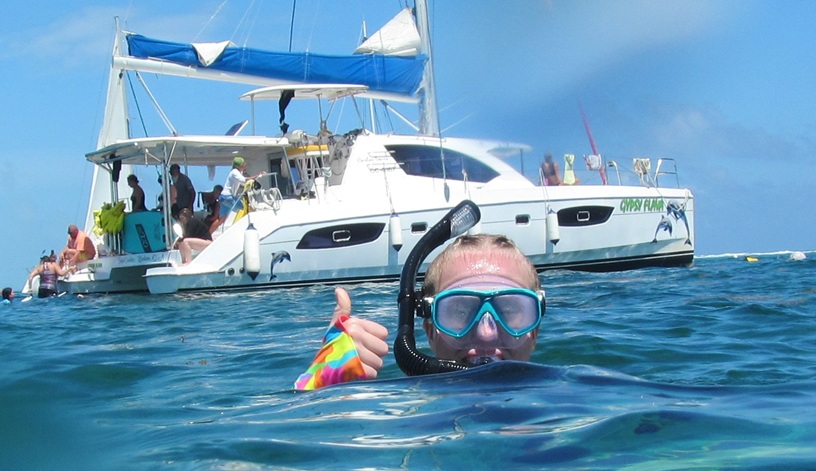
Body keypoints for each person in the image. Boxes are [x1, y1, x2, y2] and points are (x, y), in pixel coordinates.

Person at [294, 233, 543, 390]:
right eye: (459, 312)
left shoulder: (576, 405)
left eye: (510, 310)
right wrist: (324, 384)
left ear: (535, 330)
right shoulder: (401, 412)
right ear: (430, 330)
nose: (487, 334)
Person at [217, 156, 265, 229]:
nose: (245, 164)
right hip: (228, 197)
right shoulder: (235, 172)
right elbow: (244, 181)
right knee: (244, 208)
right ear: (240, 165)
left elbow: (243, 183)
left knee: (221, 219)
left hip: (224, 196)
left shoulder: (238, 172)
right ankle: (244, 228)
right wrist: (258, 175)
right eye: (243, 163)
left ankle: (209, 234)